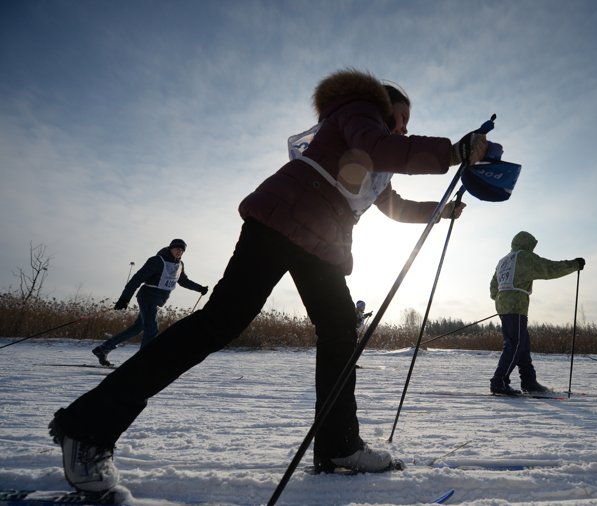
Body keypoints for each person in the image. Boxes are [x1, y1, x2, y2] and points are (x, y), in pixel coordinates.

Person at [48, 68, 487, 492]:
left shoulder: (376, 161)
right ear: (382, 106)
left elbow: (391, 205)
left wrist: (440, 211)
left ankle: (339, 446)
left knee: (339, 330)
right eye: (401, 118)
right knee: (220, 322)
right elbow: (378, 144)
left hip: (323, 241)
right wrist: (452, 152)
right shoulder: (359, 111)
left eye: (409, 123)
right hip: (282, 219)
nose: (404, 129)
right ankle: (88, 428)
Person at [489, 231, 584, 396]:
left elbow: (493, 287)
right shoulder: (524, 257)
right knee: (515, 344)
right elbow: (549, 268)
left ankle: (529, 381)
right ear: (528, 244)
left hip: (504, 304)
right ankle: (499, 381)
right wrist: (574, 264)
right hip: (516, 305)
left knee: (522, 344)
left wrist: (501, 298)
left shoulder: (504, 261)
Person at [92, 239, 208, 367]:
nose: (179, 251)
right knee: (151, 329)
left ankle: (102, 349)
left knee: (137, 328)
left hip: (157, 299)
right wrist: (124, 299)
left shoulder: (179, 264)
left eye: (182, 250)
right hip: (147, 297)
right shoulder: (157, 261)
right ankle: (143, 363)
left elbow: (183, 281)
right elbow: (136, 279)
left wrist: (199, 288)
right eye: (177, 249)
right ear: (170, 248)